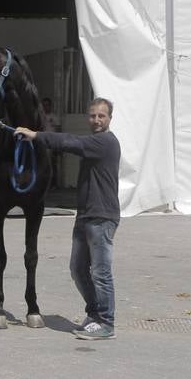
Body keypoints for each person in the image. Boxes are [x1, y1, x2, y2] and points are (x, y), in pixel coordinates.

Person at [15, 97, 121, 340]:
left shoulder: (105, 142)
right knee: (77, 269)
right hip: (85, 215)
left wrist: (36, 135)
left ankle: (107, 323)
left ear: (109, 119)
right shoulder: (97, 141)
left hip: (101, 217)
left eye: (101, 116)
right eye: (93, 115)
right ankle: (94, 314)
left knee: (101, 272)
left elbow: (70, 142)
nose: (96, 120)